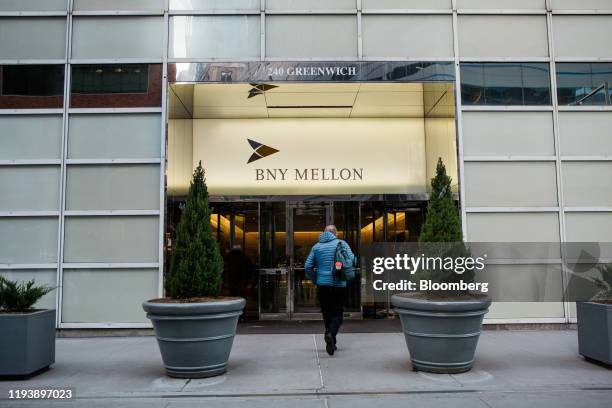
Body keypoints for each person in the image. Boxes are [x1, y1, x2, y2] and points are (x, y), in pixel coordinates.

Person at [305, 225, 356, 356]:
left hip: (323, 285)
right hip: (339, 284)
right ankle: (331, 334)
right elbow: (352, 260)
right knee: (338, 313)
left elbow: (308, 266)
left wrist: (316, 279)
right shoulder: (341, 243)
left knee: (327, 313)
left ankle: (331, 339)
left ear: (324, 233)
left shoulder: (316, 247)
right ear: (336, 233)